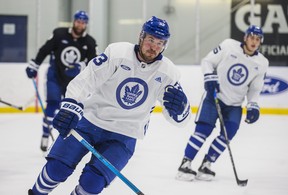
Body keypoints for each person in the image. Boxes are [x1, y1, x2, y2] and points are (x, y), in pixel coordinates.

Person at [28, 16, 191, 195]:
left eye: (160, 43)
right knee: (57, 168)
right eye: (151, 40)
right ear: (142, 37)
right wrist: (70, 105)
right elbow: (87, 78)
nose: (154, 47)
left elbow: (180, 120)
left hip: (124, 135)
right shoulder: (118, 53)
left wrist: (182, 110)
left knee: (92, 183)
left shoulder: (168, 72)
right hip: (89, 122)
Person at [175, 25, 269, 182]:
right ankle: (185, 163)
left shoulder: (262, 63)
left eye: (258, 39)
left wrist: (253, 105)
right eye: (252, 37)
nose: (254, 41)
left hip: (235, 104)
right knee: (203, 130)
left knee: (227, 134)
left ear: (260, 42)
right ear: (245, 37)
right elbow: (207, 62)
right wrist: (209, 77)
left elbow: (255, 89)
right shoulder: (228, 46)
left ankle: (207, 164)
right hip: (214, 98)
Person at [25, 10, 98, 152]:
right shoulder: (59, 34)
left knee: (70, 110)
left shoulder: (90, 42)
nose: (80, 24)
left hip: (75, 82)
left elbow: (94, 64)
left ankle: (63, 140)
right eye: (78, 21)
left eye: (83, 23)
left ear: (86, 25)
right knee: (52, 104)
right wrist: (35, 65)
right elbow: (44, 50)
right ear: (74, 21)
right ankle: (46, 135)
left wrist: (79, 66)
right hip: (55, 76)